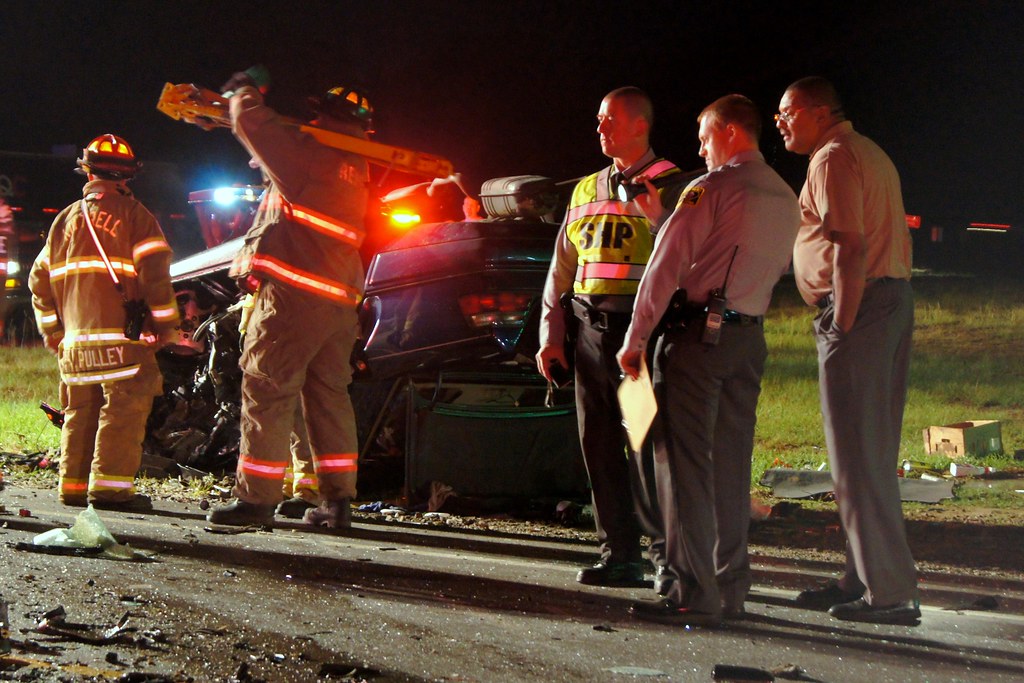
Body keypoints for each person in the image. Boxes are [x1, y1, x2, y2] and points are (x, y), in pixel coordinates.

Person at [619, 95, 800, 626]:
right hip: (749, 339)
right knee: (730, 466)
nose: (699, 148)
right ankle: (730, 586)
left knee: (686, 467)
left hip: (698, 340)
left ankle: (691, 591)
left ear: (728, 132)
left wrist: (634, 340)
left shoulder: (712, 187)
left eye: (703, 136)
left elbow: (665, 267)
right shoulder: (783, 194)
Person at [776, 77, 920, 625]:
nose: (781, 123)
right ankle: (860, 576)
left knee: (856, 457)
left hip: (861, 308)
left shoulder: (832, 157)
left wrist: (843, 318)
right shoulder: (868, 151)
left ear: (817, 112)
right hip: (891, 300)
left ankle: (889, 593)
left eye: (787, 112)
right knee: (871, 450)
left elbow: (849, 245)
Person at [206, 77, 372, 529]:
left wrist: (242, 93)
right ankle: (336, 503)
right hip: (338, 302)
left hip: (294, 298)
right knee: (328, 397)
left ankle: (255, 500)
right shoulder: (353, 165)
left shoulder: (310, 153)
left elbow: (257, 125)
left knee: (267, 391)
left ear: (326, 119)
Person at [536, 87, 679, 589]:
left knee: (644, 446)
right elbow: (561, 272)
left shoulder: (673, 184)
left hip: (640, 336)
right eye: (598, 119)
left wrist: (655, 214)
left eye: (609, 119)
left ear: (640, 124)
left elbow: (683, 261)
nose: (599, 128)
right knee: (597, 445)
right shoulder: (584, 190)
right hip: (590, 334)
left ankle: (667, 558)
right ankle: (619, 553)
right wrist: (550, 336)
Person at [29, 134, 180, 510]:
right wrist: (165, 325)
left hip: (75, 346)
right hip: (122, 341)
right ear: (129, 175)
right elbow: (156, 276)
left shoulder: (65, 219)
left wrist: (53, 331)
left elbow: (38, 280)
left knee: (81, 412)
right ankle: (111, 489)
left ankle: (73, 487)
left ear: (87, 169)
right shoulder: (136, 216)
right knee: (124, 410)